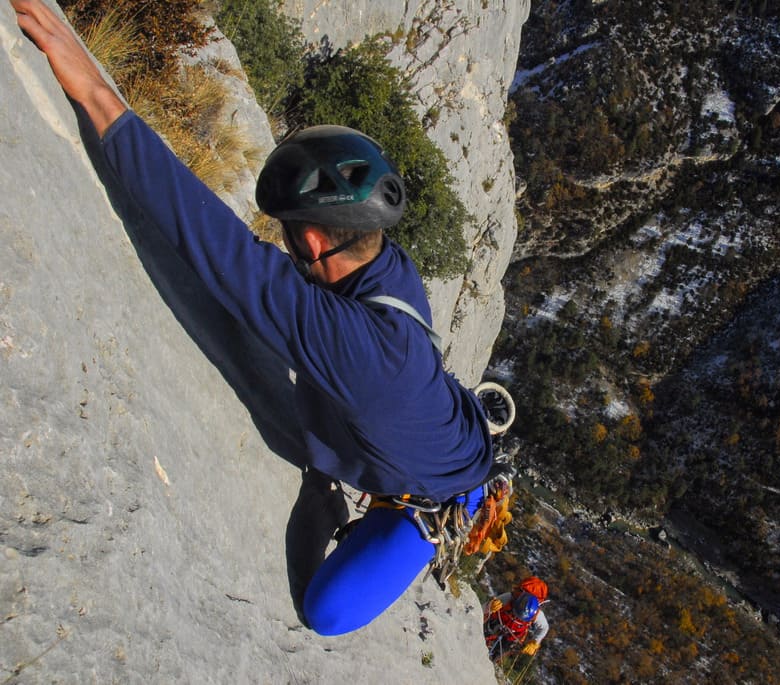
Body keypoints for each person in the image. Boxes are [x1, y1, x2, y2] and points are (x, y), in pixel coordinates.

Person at [8, 0, 498, 635]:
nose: (283, 245)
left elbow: (215, 247)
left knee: (324, 610)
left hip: (431, 498)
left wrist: (100, 96)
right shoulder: (385, 265)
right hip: (442, 417)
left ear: (316, 244)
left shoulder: (353, 348)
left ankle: (406, 524)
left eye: (290, 234)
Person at [484, 576, 550, 661]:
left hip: (512, 636)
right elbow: (484, 608)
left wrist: (535, 642)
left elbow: (544, 628)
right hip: (496, 624)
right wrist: (490, 607)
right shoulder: (509, 598)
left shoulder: (536, 613)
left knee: (498, 654)